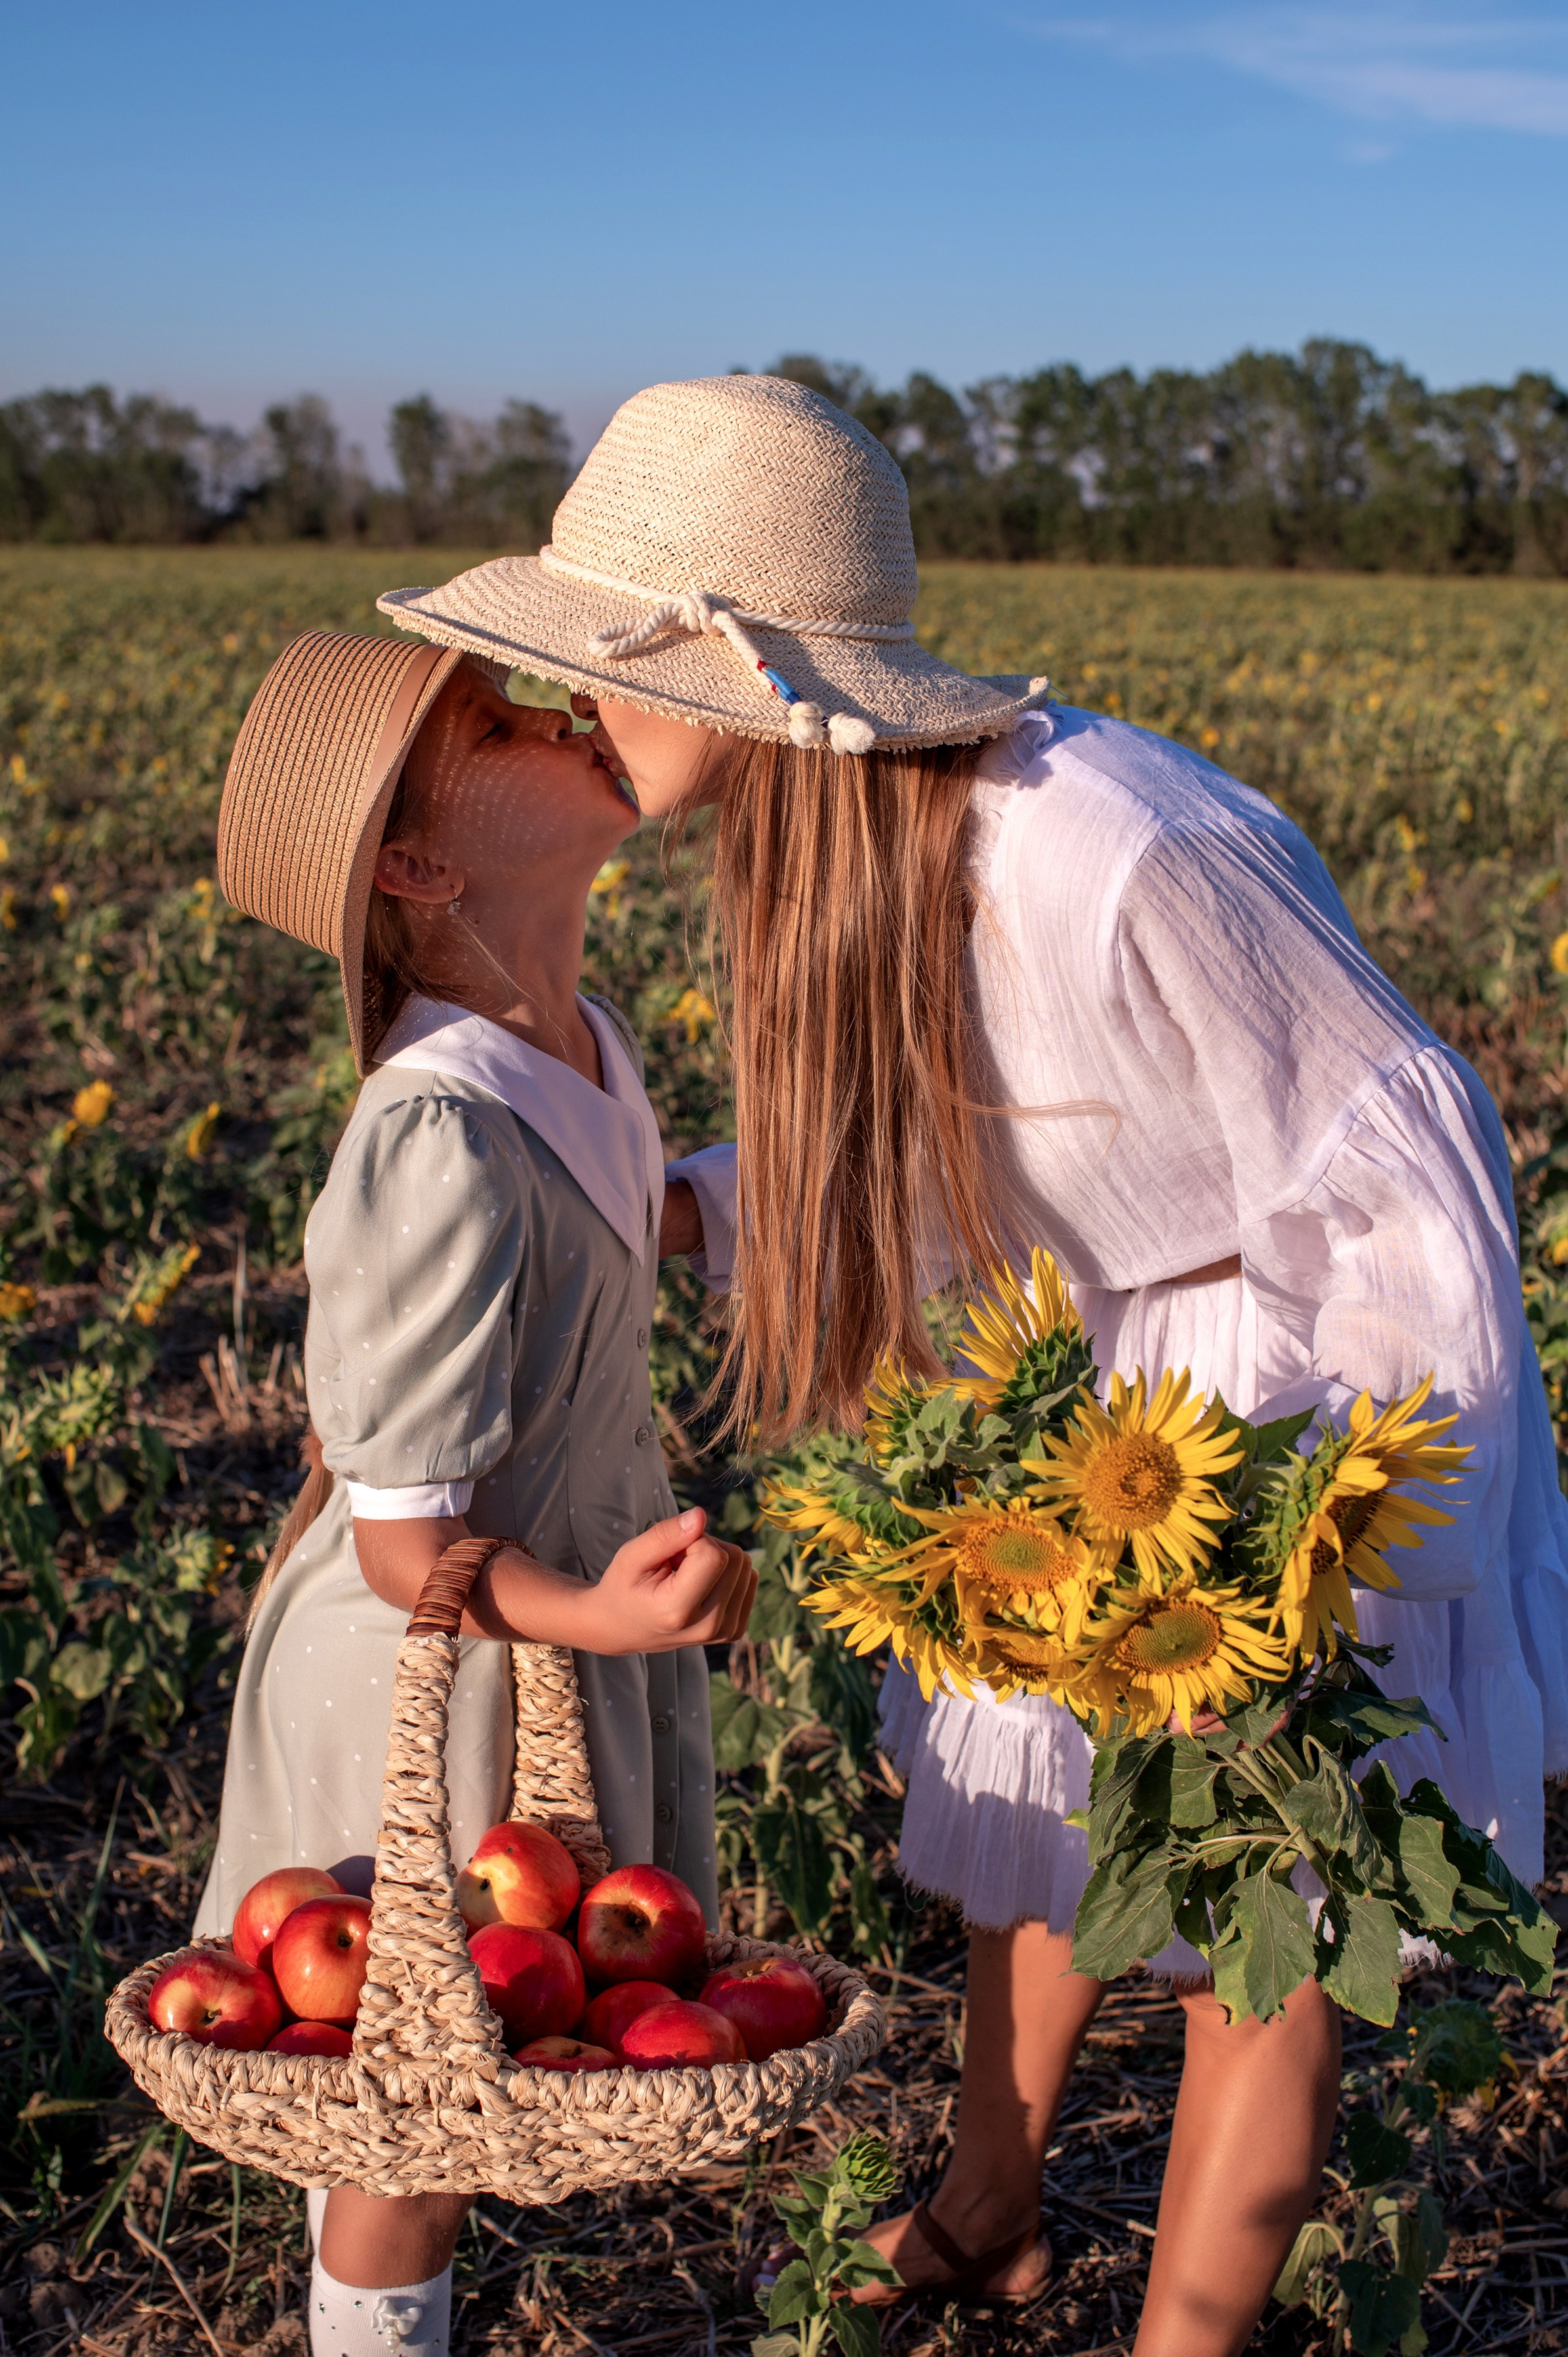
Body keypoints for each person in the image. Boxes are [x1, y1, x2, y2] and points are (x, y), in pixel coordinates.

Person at [378, 374, 1568, 2357]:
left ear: (747, 672)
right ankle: (987, 2217)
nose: (576, 708)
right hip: (1107, 1373)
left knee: (1243, 1928)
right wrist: (666, 1206)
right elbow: (972, 1144)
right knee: (1044, 1826)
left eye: (609, 662)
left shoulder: (1111, 846)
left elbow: (1404, 1151)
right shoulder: (832, 840)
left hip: (1290, 1402)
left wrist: (1312, 1526)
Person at [197, 631, 755, 2357]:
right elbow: (401, 1542)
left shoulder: (572, 1043)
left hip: (537, 1629)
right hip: (436, 1659)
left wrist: (773, 1195)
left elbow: (610, 1215)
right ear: (422, 868)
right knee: (414, 2105)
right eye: (504, 723)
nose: (566, 710)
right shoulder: (429, 1141)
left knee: (465, 2052)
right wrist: (597, 1617)